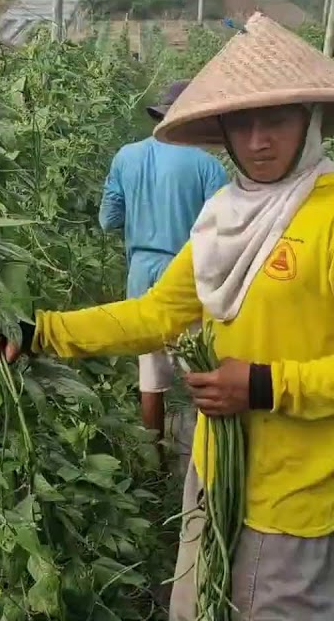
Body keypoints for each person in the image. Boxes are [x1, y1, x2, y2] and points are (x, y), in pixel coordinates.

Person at [0, 12, 334, 620]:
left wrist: (265, 385)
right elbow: (159, 313)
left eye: (277, 120)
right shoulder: (225, 212)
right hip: (213, 477)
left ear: (311, 121)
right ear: (224, 133)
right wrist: (41, 333)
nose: (259, 141)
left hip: (290, 501)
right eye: (243, 124)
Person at [98, 79, 228, 458]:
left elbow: (108, 219)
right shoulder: (207, 165)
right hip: (190, 274)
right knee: (200, 367)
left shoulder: (127, 157)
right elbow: (223, 227)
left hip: (142, 272)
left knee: (150, 373)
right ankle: (202, 457)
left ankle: (152, 460)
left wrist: (143, 215)